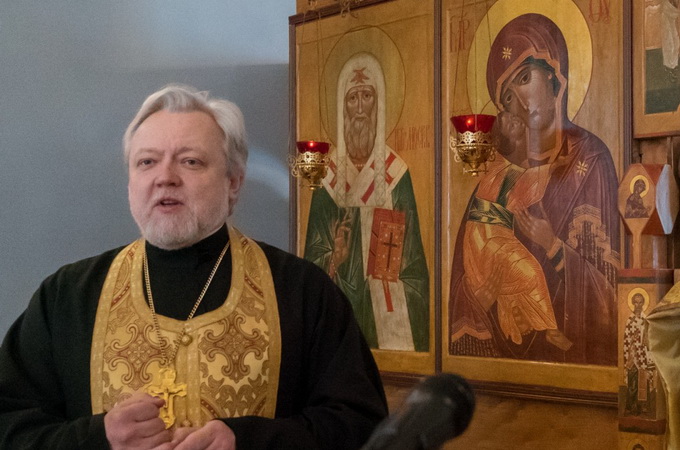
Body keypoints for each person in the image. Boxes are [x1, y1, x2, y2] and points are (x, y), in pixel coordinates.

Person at [0, 84, 388, 449]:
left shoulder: (302, 291)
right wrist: (98, 438)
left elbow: (361, 426)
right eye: (147, 162)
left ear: (233, 182)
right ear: (130, 183)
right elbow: (9, 425)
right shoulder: (68, 298)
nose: (165, 178)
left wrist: (246, 441)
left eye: (190, 161)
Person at [449, 13, 620, 364]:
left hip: (577, 372)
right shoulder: (494, 176)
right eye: (509, 97)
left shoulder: (591, 161)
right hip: (501, 374)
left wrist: (553, 246)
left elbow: (612, 290)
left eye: (526, 78)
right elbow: (462, 283)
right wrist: (480, 297)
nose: (523, 103)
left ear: (554, 73)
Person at [304, 52, 429, 352]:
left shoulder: (396, 174)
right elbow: (310, 264)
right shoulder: (326, 177)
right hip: (340, 312)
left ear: (379, 103)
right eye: (352, 98)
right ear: (341, 107)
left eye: (367, 96)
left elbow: (415, 268)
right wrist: (334, 258)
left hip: (388, 313)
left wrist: (394, 277)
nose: (360, 109)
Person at [455, 115, 572, 353]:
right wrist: (554, 168)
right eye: (509, 122)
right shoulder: (498, 167)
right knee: (531, 272)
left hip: (494, 237)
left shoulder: (506, 168)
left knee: (519, 280)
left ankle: (523, 319)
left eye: (516, 119)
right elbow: (526, 182)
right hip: (487, 238)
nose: (516, 119)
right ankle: (549, 329)